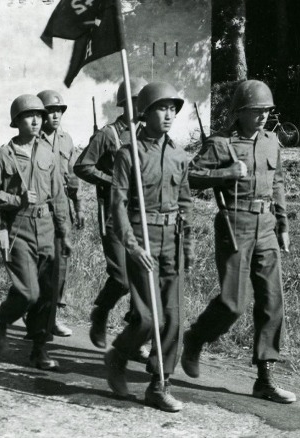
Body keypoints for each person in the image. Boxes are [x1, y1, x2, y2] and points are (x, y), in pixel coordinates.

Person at [182, 79, 296, 404]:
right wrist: (226, 173)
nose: (262, 117)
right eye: (255, 111)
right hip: (234, 223)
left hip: (267, 226)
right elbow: (189, 175)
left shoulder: (272, 142)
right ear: (240, 112)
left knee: (272, 302)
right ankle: (195, 338)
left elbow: (278, 183)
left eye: (266, 111)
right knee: (233, 302)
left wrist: (283, 225)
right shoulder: (220, 144)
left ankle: (265, 378)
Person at [104, 82, 192, 413]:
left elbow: (185, 202)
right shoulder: (129, 154)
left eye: (172, 108)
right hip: (141, 238)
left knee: (173, 318)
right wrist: (132, 245)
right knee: (146, 317)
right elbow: (118, 205)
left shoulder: (180, 155)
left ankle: (159, 384)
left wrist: (190, 245)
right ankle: (117, 354)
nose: (168, 114)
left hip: (173, 241)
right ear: (145, 112)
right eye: (161, 108)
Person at [0, 94, 73, 370]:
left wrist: (64, 232)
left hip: (46, 228)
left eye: (38, 116)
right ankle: (0, 318)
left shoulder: (48, 153)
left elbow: (58, 196)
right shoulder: (3, 154)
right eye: (28, 116)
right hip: (17, 227)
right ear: (17, 121)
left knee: (47, 293)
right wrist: (15, 201)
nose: (35, 121)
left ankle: (39, 349)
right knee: (28, 292)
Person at [74, 78, 151, 361]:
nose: (141, 108)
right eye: (136, 102)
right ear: (124, 104)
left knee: (143, 278)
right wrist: (112, 180)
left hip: (143, 216)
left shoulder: (147, 135)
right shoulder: (109, 135)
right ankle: (101, 311)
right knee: (121, 277)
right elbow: (82, 165)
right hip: (113, 213)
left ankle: (134, 338)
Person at [37, 89, 82, 338]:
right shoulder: (33, 138)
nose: (55, 116)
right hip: (40, 209)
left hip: (62, 207)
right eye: (50, 111)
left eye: (59, 111)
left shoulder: (66, 140)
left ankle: (52, 316)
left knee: (60, 266)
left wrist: (79, 208)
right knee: (41, 265)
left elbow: (73, 177)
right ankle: (38, 313)